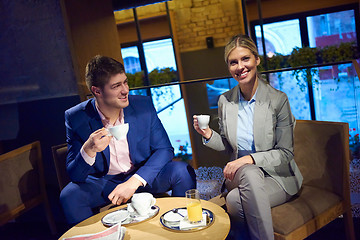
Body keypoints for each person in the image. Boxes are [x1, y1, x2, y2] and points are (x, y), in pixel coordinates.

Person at [60, 55, 196, 225]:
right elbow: (75, 175)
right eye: (116, 86)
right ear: (97, 91)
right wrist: (89, 149)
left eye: (125, 82)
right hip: (105, 182)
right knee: (69, 196)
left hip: (141, 175)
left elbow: (164, 149)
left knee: (182, 171)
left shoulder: (143, 106)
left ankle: (182, 228)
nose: (125, 90)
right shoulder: (76, 117)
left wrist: (135, 181)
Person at [193, 34, 303, 240]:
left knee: (234, 200)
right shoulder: (225, 101)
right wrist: (208, 135)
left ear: (257, 60)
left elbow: (286, 153)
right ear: (228, 67)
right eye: (233, 62)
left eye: (245, 59)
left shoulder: (278, 100)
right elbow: (227, 145)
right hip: (242, 176)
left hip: (278, 178)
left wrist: (249, 159)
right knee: (250, 174)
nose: (240, 66)